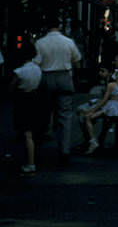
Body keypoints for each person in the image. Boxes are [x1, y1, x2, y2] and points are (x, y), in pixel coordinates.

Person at [35, 20, 82, 166]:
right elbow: (77, 60)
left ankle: (37, 147)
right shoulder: (68, 42)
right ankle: (64, 150)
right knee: (65, 115)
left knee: (43, 112)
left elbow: (36, 62)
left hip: (46, 77)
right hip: (64, 77)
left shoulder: (40, 43)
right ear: (59, 27)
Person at [11, 43, 43, 175]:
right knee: (32, 131)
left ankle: (30, 163)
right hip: (35, 98)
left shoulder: (19, 72)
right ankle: (32, 159)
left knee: (26, 132)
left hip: (23, 100)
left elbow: (11, 87)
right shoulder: (37, 69)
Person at [80, 64, 118, 155]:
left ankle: (92, 142)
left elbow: (104, 100)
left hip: (111, 108)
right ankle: (92, 141)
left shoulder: (110, 84)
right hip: (112, 106)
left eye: (103, 71)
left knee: (87, 117)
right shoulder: (112, 83)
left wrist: (93, 110)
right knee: (85, 114)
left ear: (109, 73)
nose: (100, 73)